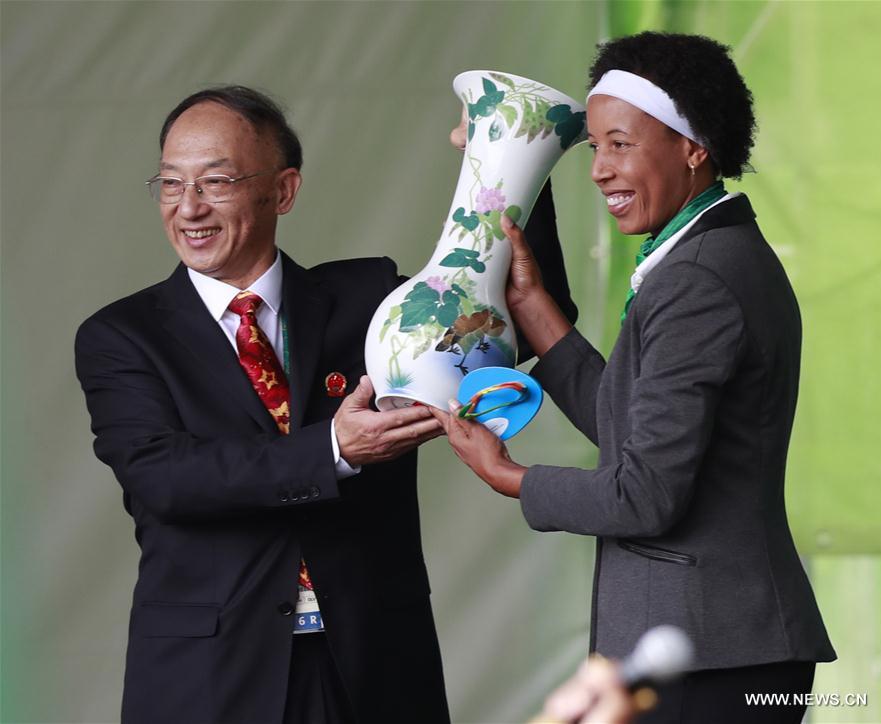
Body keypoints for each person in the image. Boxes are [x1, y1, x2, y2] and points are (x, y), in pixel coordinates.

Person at [74, 85, 576, 724]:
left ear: (282, 191)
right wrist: (332, 450)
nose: (189, 208)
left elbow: (531, 316)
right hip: (210, 679)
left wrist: (514, 164)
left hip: (376, 664)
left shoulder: (372, 303)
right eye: (171, 185)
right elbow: (165, 477)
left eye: (216, 181)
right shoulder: (122, 336)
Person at [432, 32, 836, 723]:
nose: (598, 170)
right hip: (719, 646)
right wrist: (534, 311)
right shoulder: (704, 256)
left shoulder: (698, 280)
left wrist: (510, 476)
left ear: (692, 146)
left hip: (713, 655)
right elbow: (633, 429)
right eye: (596, 148)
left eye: (620, 144)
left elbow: (642, 495)